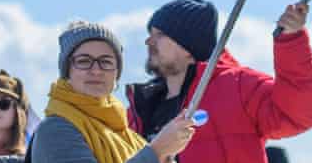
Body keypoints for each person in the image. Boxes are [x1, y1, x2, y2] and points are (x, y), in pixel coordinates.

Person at [126, 0, 312, 163]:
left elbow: (294, 116)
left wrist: (291, 40)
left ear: (187, 44)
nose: (149, 42)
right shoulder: (138, 107)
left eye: (159, 35)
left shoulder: (238, 85)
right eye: (150, 34)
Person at [31, 21, 195, 163]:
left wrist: (167, 153)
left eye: (106, 62)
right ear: (67, 71)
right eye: (84, 61)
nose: (96, 70)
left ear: (117, 73)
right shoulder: (55, 130)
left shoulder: (129, 137)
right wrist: (157, 150)